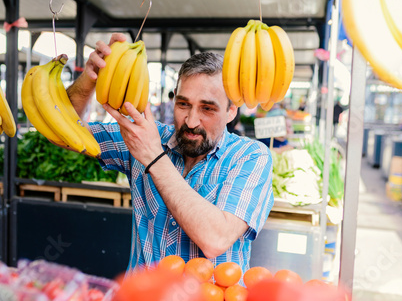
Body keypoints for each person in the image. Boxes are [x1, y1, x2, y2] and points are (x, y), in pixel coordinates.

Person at [67, 33, 274, 273]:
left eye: (207, 108)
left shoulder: (250, 156)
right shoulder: (145, 136)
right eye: (183, 104)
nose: (191, 120)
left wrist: (153, 157)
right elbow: (67, 132)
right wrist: (89, 80)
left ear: (230, 112)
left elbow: (215, 239)